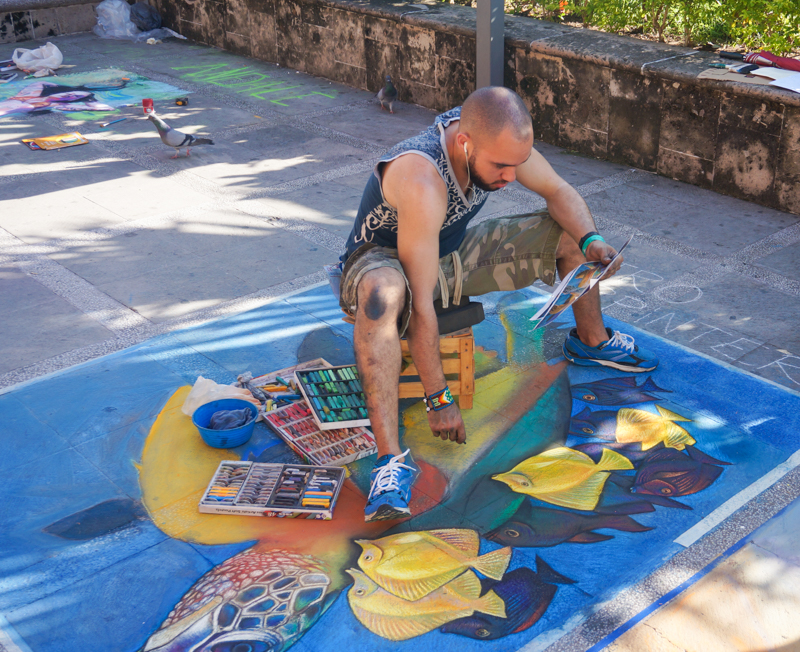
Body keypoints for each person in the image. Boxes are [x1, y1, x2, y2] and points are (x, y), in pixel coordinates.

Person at [337, 86, 658, 522]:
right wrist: (438, 397)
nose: (510, 177)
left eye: (517, 164)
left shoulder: (495, 138)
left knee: (570, 234)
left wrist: (592, 240)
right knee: (385, 292)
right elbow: (422, 305)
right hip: (381, 264)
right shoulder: (421, 177)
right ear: (465, 144)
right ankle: (390, 463)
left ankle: (592, 339)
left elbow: (559, 190)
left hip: (448, 253)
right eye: (501, 167)